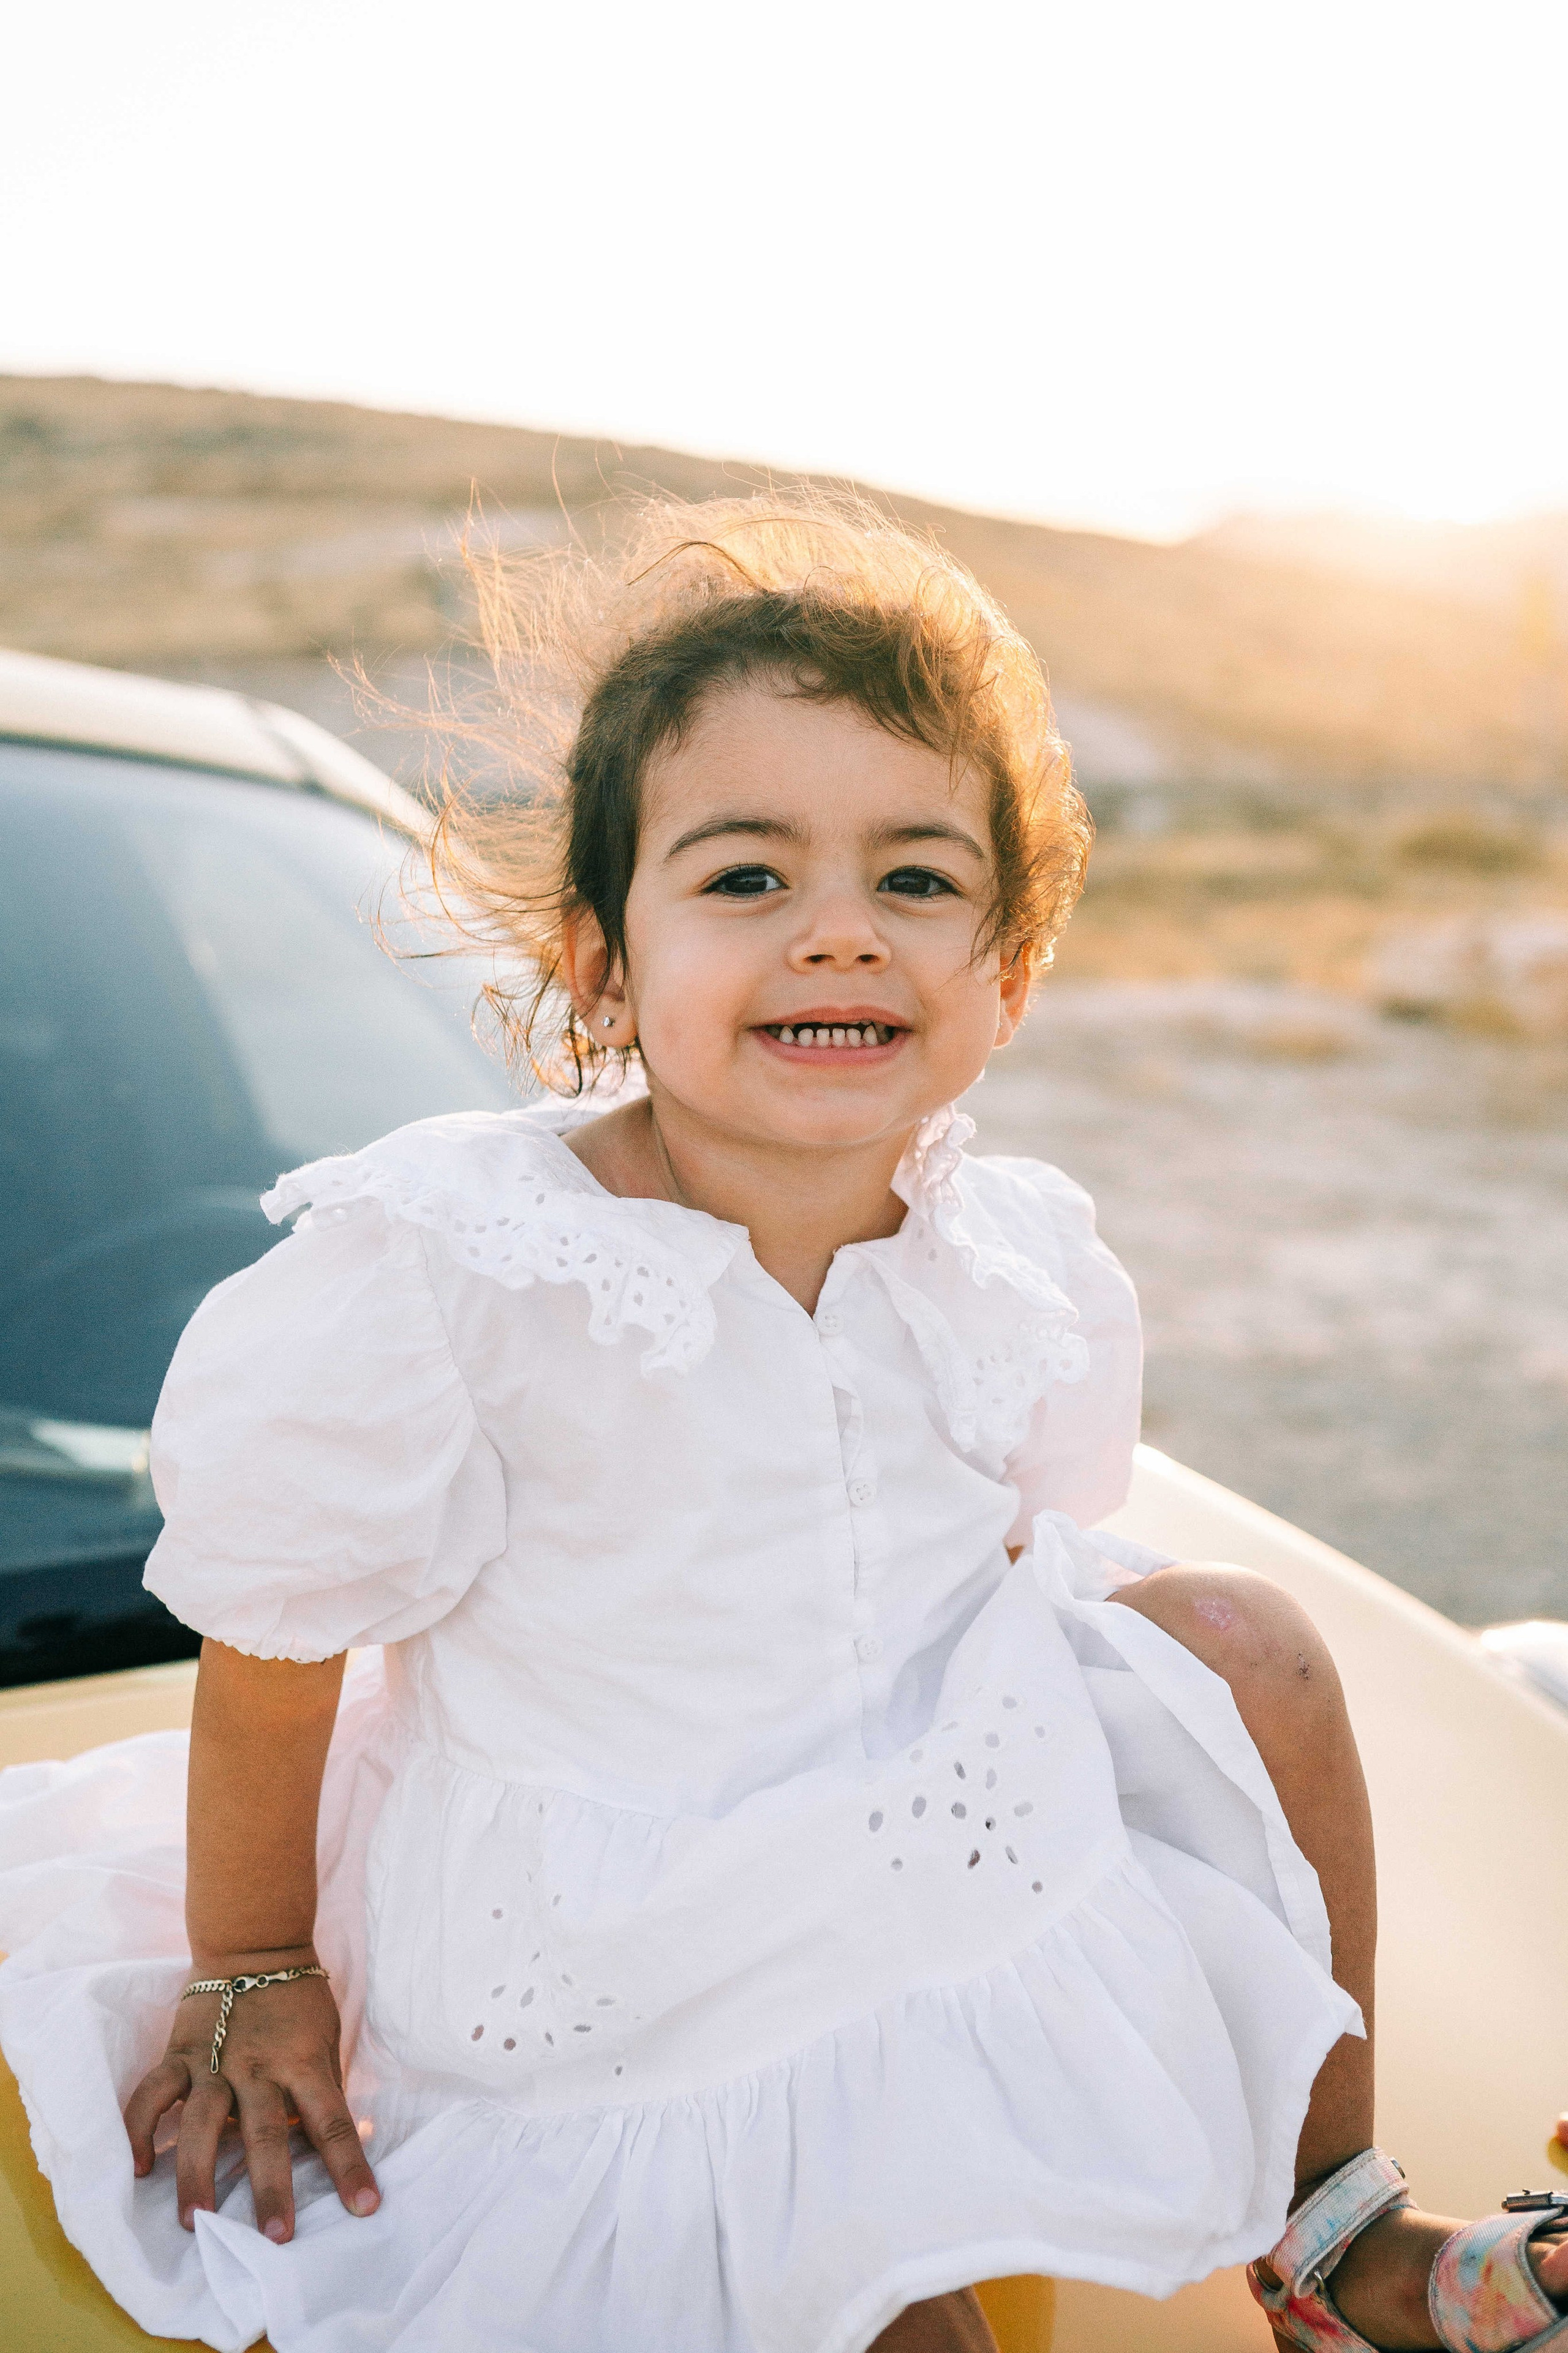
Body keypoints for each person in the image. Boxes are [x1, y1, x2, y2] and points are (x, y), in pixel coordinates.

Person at [1, 494, 1563, 2353]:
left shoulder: (1008, 1246)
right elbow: (274, 1638)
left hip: (884, 1803)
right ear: (599, 960)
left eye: (915, 881)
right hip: (624, 1941)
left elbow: (1005, 1543)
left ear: (1011, 970)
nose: (839, 935)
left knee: (1258, 1646)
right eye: (748, 879)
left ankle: (1330, 2221)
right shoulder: (461, 1264)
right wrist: (255, 1962)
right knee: (911, 2321)